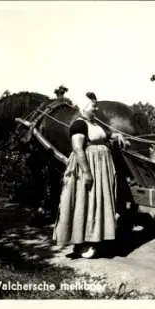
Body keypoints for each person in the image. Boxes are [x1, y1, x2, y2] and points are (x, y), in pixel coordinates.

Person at [52, 92, 127, 258]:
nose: (96, 108)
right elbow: (78, 149)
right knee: (85, 202)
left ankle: (95, 238)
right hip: (89, 167)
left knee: (97, 202)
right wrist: (86, 173)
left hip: (100, 168)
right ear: (83, 107)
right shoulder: (78, 125)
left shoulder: (93, 123)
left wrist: (117, 135)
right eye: (93, 106)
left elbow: (105, 136)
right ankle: (83, 242)